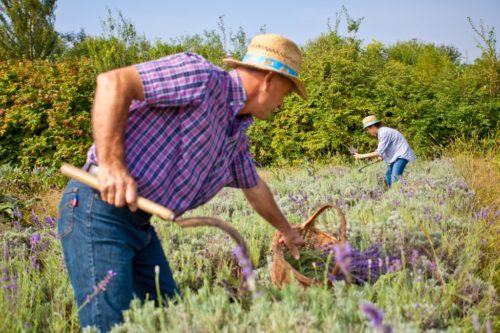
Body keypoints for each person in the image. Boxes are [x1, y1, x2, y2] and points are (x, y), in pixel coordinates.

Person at [57, 34, 306, 332]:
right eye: (286, 93)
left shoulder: (235, 135)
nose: (282, 103)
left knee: (170, 316)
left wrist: (286, 230)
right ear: (269, 80)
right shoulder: (201, 77)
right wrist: (111, 165)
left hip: (138, 222)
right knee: (111, 325)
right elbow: (114, 82)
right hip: (98, 209)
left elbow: (255, 188)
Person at [354, 115, 416, 187]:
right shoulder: (382, 132)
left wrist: (361, 156)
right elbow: (384, 148)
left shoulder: (384, 132)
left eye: (367, 129)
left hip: (401, 156)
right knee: (388, 177)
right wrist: (381, 155)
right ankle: (394, 194)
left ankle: (402, 192)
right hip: (396, 156)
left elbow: (379, 152)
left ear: (372, 126)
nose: (368, 131)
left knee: (395, 179)